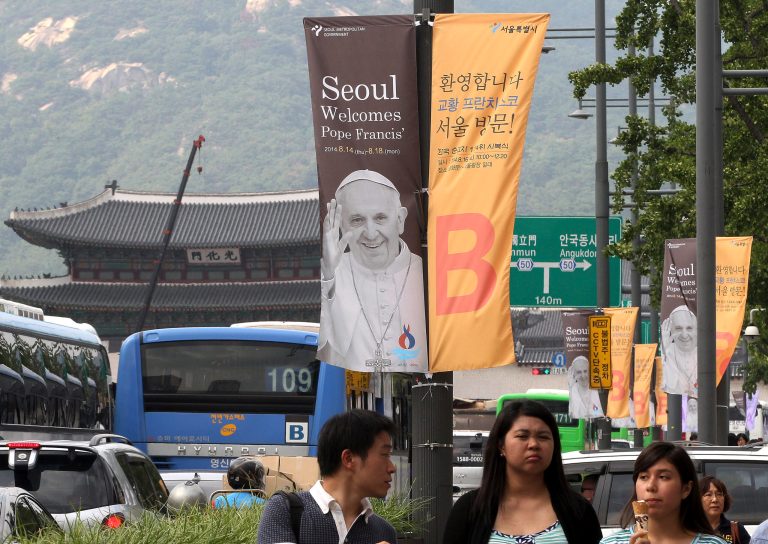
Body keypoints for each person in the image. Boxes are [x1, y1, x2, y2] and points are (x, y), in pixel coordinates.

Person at [443, 400, 602, 544]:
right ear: (501, 445)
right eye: (522, 436)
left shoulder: (578, 510)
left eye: (543, 437)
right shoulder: (469, 509)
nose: (533, 444)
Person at [318, 169, 427, 373]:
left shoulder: (424, 273)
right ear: (341, 225)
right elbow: (328, 350)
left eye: (380, 218)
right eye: (357, 220)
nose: (370, 233)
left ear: (400, 219)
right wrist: (330, 274)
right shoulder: (332, 274)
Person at [257, 410, 397, 544]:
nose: (392, 468)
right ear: (348, 459)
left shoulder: (384, 531)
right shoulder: (285, 510)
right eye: (384, 455)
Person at [599, 441, 725, 544]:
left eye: (663, 477)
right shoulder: (611, 542)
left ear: (686, 489)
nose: (650, 486)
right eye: (643, 477)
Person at [699, 476, 751, 543]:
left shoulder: (736, 529)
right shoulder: (689, 529)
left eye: (719, 494)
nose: (715, 499)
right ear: (698, 499)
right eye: (708, 494)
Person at [661, 305, 699, 397]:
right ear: (671, 330)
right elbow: (668, 385)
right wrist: (665, 350)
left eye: (689, 328)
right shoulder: (668, 351)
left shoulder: (704, 353)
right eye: (678, 328)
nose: (684, 335)